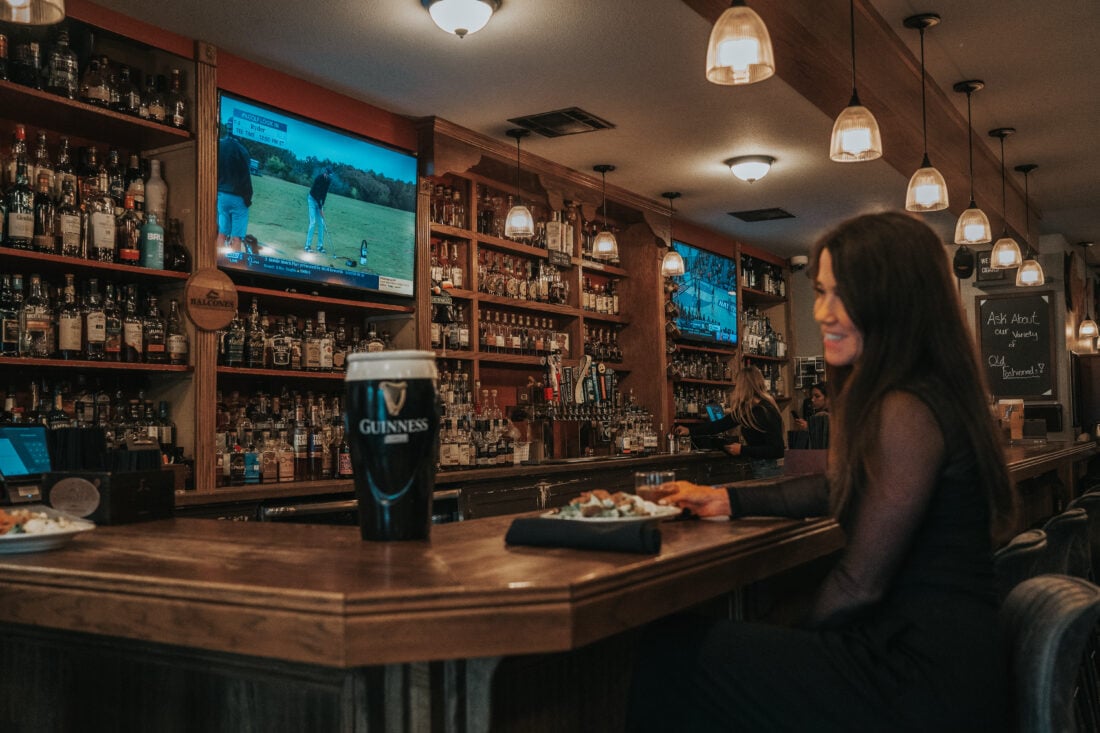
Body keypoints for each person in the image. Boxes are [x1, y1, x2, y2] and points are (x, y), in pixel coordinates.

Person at [627, 211, 1016, 732]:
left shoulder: (907, 407)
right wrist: (727, 499)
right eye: (820, 292)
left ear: (894, 300)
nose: (822, 312)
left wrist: (791, 645)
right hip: (942, 664)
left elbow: (859, 585)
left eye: (841, 294)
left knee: (669, 649)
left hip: (922, 680)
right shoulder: (927, 393)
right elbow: (839, 487)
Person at [674, 364, 784, 478]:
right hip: (759, 466)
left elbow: (777, 449)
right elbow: (719, 425)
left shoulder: (764, 410)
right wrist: (689, 431)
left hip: (768, 469)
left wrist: (742, 450)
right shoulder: (747, 410)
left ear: (744, 386)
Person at [215, 118, 253, 254]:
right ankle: (234, 262)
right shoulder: (242, 151)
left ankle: (217, 260)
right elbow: (246, 179)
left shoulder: (218, 145)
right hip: (237, 197)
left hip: (221, 195)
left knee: (222, 233)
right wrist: (247, 200)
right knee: (236, 238)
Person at [793, 381, 830, 449]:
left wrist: (808, 427)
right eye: (812, 396)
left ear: (828, 397)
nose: (812, 400)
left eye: (817, 396)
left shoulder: (822, 415)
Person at [305, 166, 332, 253]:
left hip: (319, 202)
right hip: (312, 199)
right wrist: (320, 207)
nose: (328, 176)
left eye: (329, 175)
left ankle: (320, 246)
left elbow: (324, 194)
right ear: (325, 173)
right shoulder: (318, 178)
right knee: (313, 222)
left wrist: (322, 205)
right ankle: (307, 245)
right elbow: (316, 193)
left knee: (321, 223)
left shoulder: (328, 181)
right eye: (327, 174)